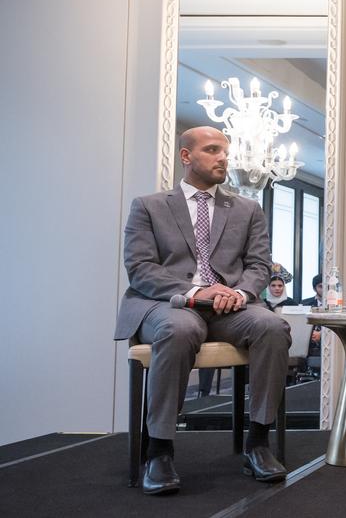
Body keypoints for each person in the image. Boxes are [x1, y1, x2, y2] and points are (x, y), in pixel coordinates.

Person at [115, 126, 292, 495]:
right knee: (180, 329)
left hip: (231, 308)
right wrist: (198, 291)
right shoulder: (148, 206)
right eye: (212, 150)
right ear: (186, 156)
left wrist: (241, 293)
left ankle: (257, 443)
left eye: (225, 151)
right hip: (167, 304)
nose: (223, 157)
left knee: (273, 326)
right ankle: (159, 451)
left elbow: (259, 265)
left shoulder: (248, 209)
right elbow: (142, 268)